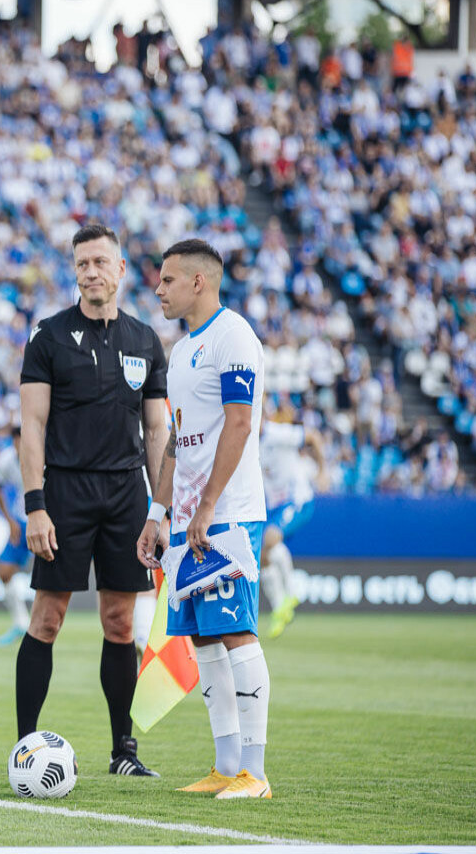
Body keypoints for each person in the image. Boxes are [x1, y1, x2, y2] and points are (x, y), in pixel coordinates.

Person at [16, 223, 168, 777]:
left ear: (121, 269)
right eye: (82, 264)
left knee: (120, 622)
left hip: (127, 494)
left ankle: (123, 751)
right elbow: (31, 426)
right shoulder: (49, 337)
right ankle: (24, 747)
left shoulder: (145, 341)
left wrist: (160, 509)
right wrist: (36, 504)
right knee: (48, 618)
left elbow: (157, 432)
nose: (91, 272)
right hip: (66, 493)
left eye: (101, 262)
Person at [137, 238, 272, 800]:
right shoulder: (184, 348)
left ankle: (255, 773)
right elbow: (175, 444)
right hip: (189, 518)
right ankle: (225, 763)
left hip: (229, 514)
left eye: (168, 280)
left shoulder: (233, 336)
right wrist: (157, 513)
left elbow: (238, 425)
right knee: (205, 641)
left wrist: (210, 505)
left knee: (236, 632)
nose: (159, 290)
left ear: (199, 281)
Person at [260, 416, 324, 637]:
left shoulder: (277, 433)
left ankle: (292, 592)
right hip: (275, 507)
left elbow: (313, 437)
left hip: (298, 499)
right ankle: (280, 607)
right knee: (261, 553)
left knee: (270, 538)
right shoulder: (247, 442)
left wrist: (322, 471)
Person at [0, 426, 30, 647]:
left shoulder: (46, 455)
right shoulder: (6, 460)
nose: (19, 445)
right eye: (16, 441)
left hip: (49, 521)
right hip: (22, 523)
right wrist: (9, 520)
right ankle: (21, 623)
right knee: (4, 572)